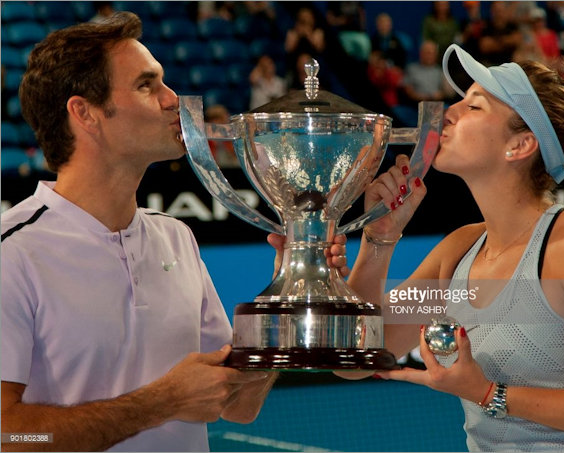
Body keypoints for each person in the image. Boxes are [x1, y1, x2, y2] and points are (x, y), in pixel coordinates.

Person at [0, 13, 348, 452]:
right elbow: (8, 434)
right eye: (147, 85)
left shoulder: (177, 237)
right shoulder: (12, 253)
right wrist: (159, 403)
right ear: (85, 113)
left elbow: (237, 405)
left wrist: (285, 297)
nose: (173, 100)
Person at [345, 43, 564, 451]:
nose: (450, 112)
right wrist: (379, 239)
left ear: (519, 146)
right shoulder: (458, 251)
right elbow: (358, 359)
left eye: (474, 106)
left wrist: (489, 394)